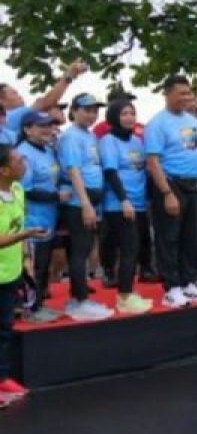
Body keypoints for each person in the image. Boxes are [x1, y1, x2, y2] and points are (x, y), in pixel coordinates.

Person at [144, 76, 197, 309]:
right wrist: (167, 193)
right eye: (181, 93)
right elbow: (152, 162)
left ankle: (188, 282)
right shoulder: (157, 124)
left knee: (192, 235)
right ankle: (171, 288)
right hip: (171, 184)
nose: (186, 98)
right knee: (169, 237)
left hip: (194, 183)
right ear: (167, 94)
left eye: (189, 93)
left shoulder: (191, 120)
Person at [57, 93, 112, 320]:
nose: (91, 115)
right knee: (80, 250)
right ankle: (80, 300)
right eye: (86, 110)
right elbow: (73, 170)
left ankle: (77, 296)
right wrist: (85, 204)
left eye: (94, 111)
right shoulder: (71, 137)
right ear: (74, 111)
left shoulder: (88, 136)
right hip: (79, 200)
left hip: (90, 198)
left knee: (85, 247)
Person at [0, 145, 47, 402]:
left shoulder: (17, 190)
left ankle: (3, 378)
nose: (24, 164)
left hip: (10, 272)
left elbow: (20, 223)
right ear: (4, 170)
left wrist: (26, 256)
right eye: (18, 160)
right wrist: (26, 235)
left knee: (5, 328)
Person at [98, 99, 153, 315]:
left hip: (139, 203)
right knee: (128, 249)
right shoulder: (108, 141)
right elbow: (110, 173)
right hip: (119, 204)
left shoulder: (138, 141)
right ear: (113, 116)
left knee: (137, 248)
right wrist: (123, 200)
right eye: (124, 113)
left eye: (132, 113)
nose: (129, 117)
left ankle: (129, 291)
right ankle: (124, 296)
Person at [16, 111, 60, 320]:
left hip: (48, 218)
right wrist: (56, 195)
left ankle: (39, 305)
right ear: (27, 129)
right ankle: (30, 310)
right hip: (31, 220)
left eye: (49, 125)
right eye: (41, 125)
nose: (47, 129)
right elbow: (24, 190)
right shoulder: (23, 154)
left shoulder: (48, 150)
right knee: (32, 268)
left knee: (43, 266)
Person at [1, 59, 87, 141]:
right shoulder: (10, 116)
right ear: (1, 101)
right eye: (14, 93)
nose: (19, 96)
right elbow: (47, 102)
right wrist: (69, 75)